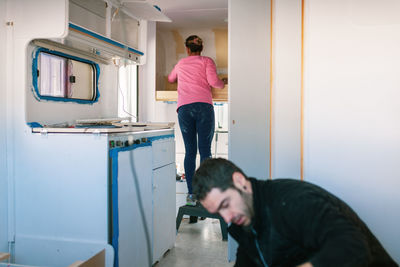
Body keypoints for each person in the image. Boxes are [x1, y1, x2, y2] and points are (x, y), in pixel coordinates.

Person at [193, 158, 398, 267]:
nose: (227, 218)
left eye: (226, 204)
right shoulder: (247, 222)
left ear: (239, 181)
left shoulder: (293, 202)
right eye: (219, 213)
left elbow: (354, 248)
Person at [168, 35, 227, 206]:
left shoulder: (180, 64)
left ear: (187, 49)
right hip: (203, 108)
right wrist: (222, 83)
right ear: (201, 49)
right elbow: (214, 82)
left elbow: (171, 79)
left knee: (190, 151)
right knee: (205, 151)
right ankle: (204, 194)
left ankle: (191, 195)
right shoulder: (206, 61)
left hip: (185, 109)